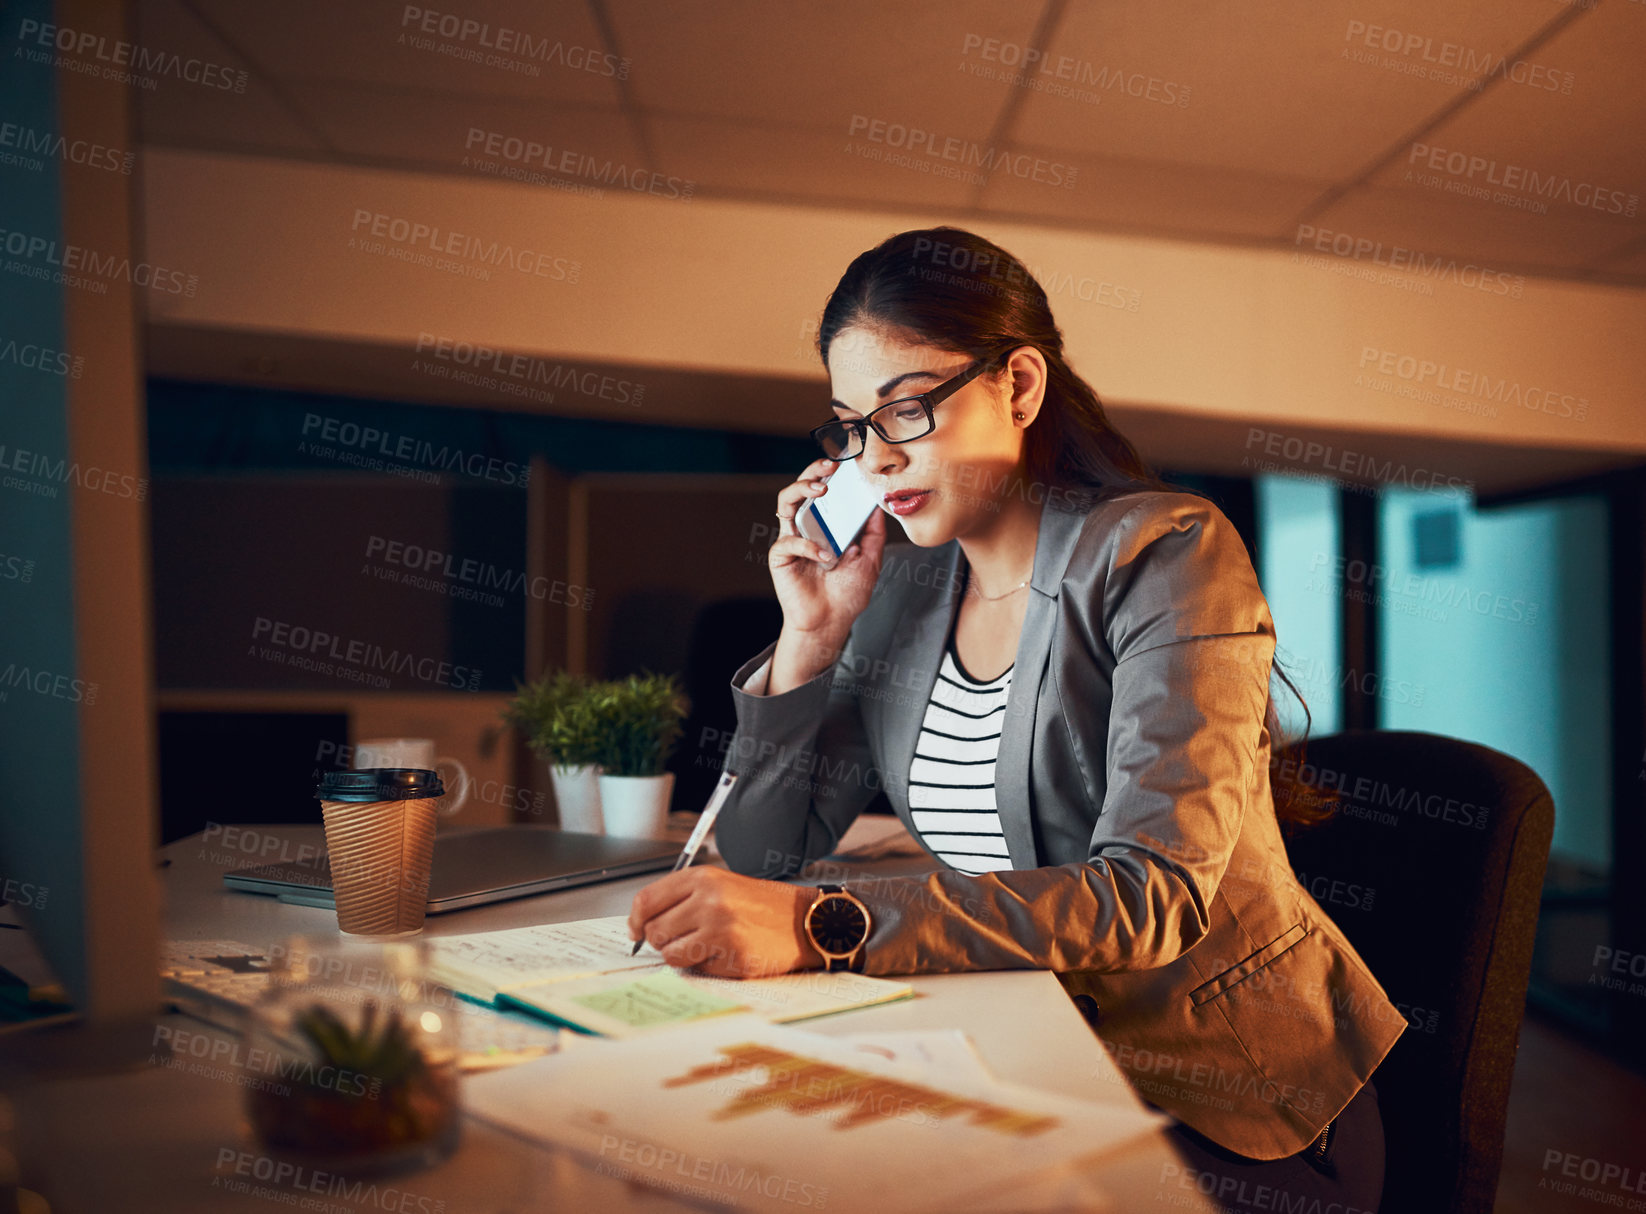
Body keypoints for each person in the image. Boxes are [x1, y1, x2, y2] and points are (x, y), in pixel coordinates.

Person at [627, 226, 1403, 1207]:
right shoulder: (902, 586)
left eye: (907, 410)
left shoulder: (1161, 553)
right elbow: (759, 862)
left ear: (1020, 387)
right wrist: (808, 641)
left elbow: (1149, 898)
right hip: (1022, 1038)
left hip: (1221, 1097)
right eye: (850, 425)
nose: (876, 456)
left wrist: (825, 920)